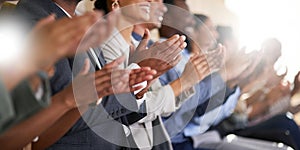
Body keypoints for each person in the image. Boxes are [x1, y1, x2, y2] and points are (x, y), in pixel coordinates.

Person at [11, 0, 158, 149]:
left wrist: (139, 83)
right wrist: (133, 81)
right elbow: (61, 116)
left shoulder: (76, 19)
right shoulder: (36, 19)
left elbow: (100, 105)